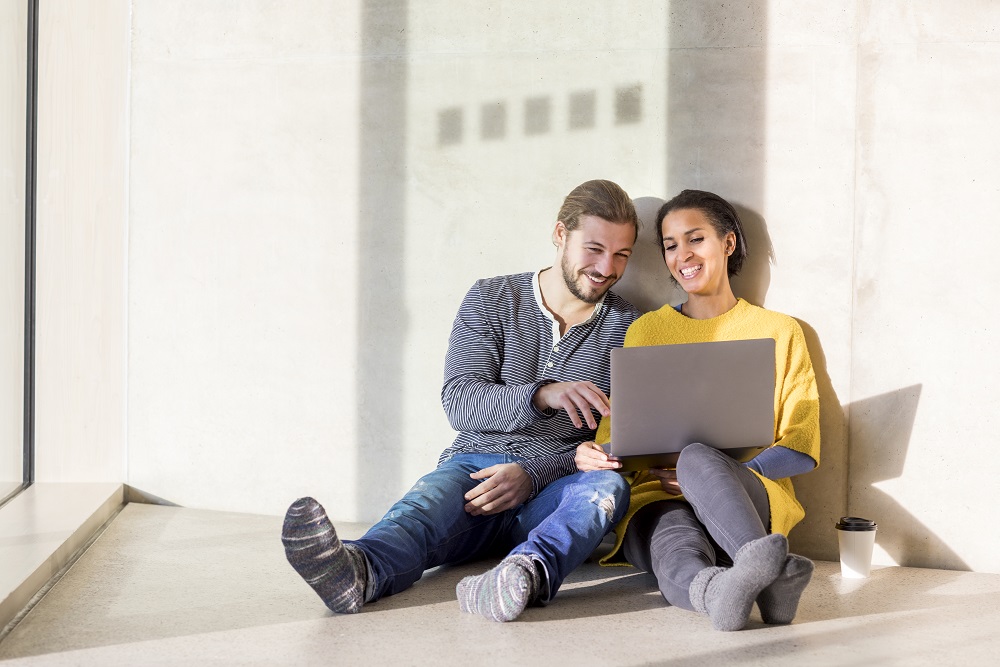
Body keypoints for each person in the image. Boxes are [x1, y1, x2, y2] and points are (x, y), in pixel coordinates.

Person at [282, 180, 642, 622]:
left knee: (608, 489)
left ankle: (522, 577)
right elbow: (461, 401)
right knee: (423, 509)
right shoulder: (491, 297)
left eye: (622, 254)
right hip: (473, 472)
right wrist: (542, 395)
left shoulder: (631, 327)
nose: (607, 267)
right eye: (595, 249)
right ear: (560, 234)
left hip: (557, 488)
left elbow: (621, 442)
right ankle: (357, 572)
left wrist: (534, 473)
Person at [576, 189, 820, 631]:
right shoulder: (646, 331)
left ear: (727, 243)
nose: (681, 255)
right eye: (670, 245)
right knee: (675, 549)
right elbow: (620, 433)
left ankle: (758, 566)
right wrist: (597, 453)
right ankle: (737, 586)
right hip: (659, 499)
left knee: (698, 457)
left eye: (695, 239)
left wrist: (708, 476)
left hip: (746, 499)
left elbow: (801, 444)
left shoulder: (779, 332)